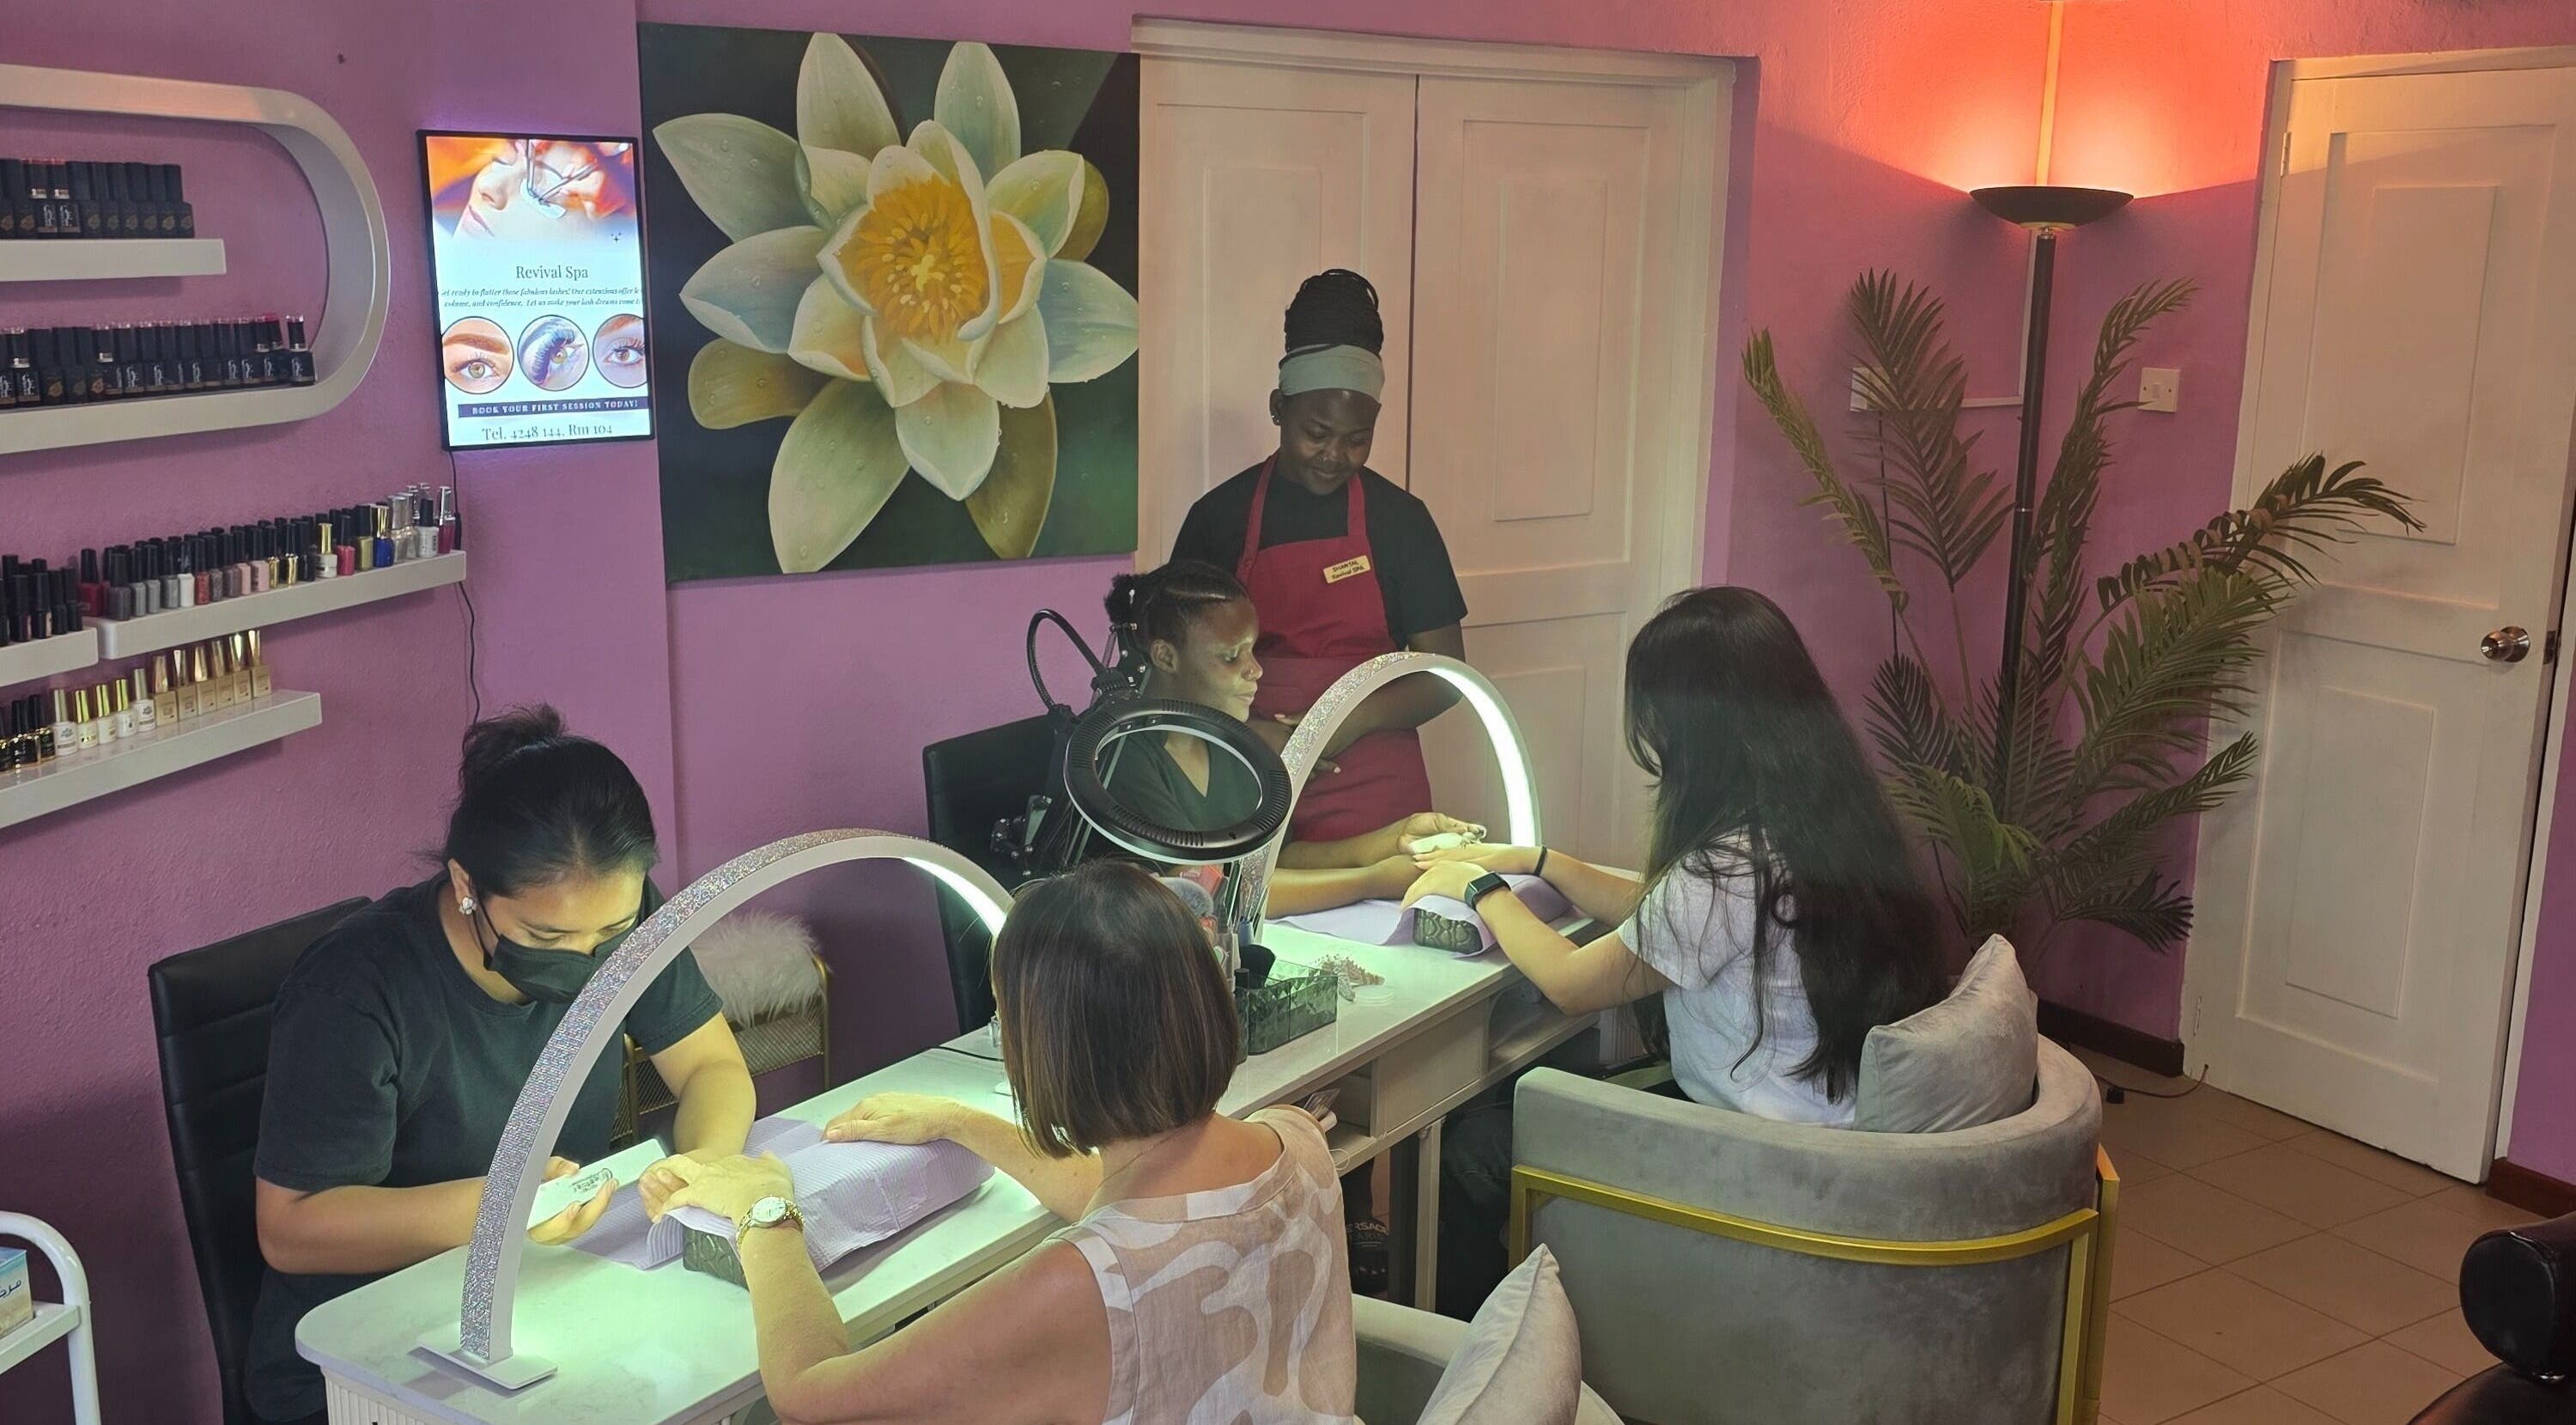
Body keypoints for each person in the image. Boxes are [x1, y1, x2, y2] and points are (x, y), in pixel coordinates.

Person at [1403, 587, 1947, 1317]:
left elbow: (1571, 981)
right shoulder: (1817, 819)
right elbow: (1677, 916)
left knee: (1470, 1147)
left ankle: (1478, 1366)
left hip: (1756, 1159)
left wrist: (1477, 888)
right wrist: (1542, 860)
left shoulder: (1727, 866)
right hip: (1826, 1136)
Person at [664, 862, 1356, 1425]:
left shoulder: (1077, 1280)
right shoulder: (1295, 1138)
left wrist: (766, 1212)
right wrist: (960, 1122)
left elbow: (811, 1397)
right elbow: (1130, 1197)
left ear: (1047, 1051)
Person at [246, 708, 755, 1425]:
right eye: (546, 934)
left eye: (612, 932)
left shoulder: (625, 918)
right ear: (466, 885)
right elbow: (291, 1227)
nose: (588, 959)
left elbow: (712, 1067)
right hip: (363, 1362)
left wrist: (702, 1173)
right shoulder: (355, 991)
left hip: (550, 1297)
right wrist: (501, 1208)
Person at [1169, 270, 1469, 846]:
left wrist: (1339, 724)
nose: (1336, 455)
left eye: (1358, 438)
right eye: (1317, 432)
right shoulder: (1218, 519)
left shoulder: (1401, 522)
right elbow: (1173, 671)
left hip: (1380, 802)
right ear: (1279, 407)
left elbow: (1446, 677)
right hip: (1249, 783)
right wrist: (1251, 730)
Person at [1100, 558, 1480, 915]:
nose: (1255, 670)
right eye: (1231, 656)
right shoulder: (1121, 756)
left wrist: (1393, 840)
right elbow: (1210, 895)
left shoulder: (1230, 746)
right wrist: (1371, 881)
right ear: (1166, 657)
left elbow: (1273, 861)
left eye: (1253, 649)